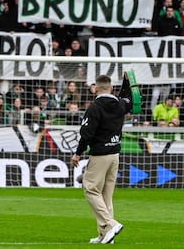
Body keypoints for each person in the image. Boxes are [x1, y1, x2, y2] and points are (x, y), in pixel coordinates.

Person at [71, 75, 131, 244]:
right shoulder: (120, 104)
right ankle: (105, 235)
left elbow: (86, 134)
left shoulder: (94, 107)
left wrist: (77, 153)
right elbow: (130, 98)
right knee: (106, 195)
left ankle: (111, 224)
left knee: (90, 189)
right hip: (115, 155)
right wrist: (128, 81)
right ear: (111, 88)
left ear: (95, 89)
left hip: (100, 155)